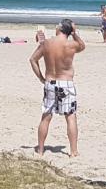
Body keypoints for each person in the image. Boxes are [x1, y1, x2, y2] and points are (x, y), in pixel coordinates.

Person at [29, 19, 86, 157]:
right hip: (66, 83)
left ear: (60, 28)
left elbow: (33, 59)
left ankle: (41, 150)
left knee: (46, 117)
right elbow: (82, 46)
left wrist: (41, 78)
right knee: (70, 117)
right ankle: (73, 151)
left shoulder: (46, 43)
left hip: (50, 83)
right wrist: (74, 33)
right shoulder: (71, 44)